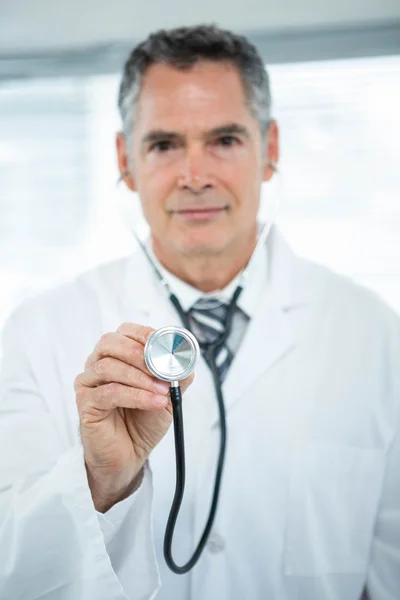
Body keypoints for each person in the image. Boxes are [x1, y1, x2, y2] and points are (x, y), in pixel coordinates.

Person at [0, 24, 399, 600]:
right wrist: (102, 481)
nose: (194, 175)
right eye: (164, 145)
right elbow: (12, 566)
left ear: (271, 150)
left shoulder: (374, 334)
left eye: (225, 140)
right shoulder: (37, 333)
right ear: (125, 160)